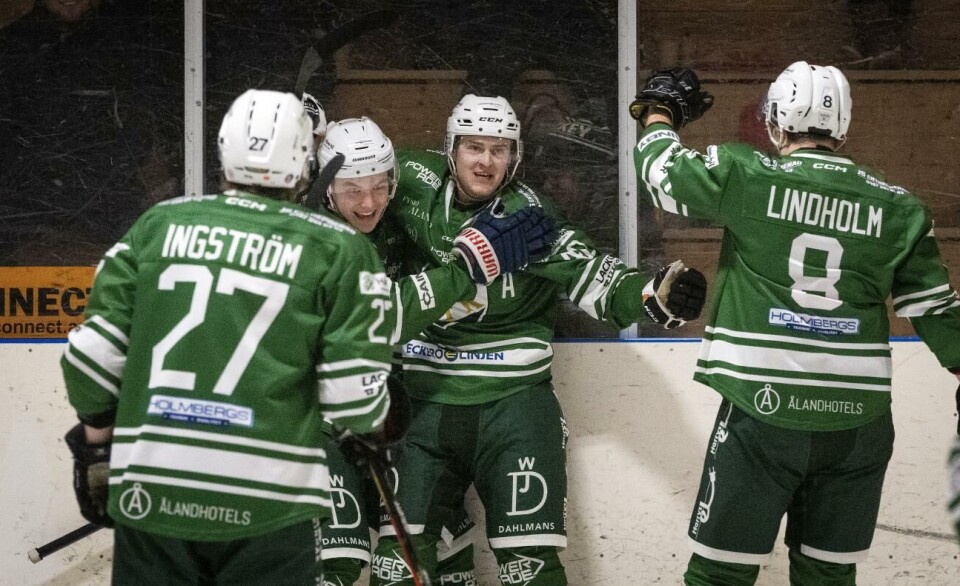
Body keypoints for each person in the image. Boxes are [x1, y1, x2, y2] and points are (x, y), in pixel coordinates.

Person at [59, 89, 540, 585]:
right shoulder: (335, 249)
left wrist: (98, 447)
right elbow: (355, 395)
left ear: (223, 152)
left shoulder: (154, 227)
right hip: (269, 497)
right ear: (307, 165)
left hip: (152, 487)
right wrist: (378, 420)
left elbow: (91, 357)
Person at [629, 62, 960, 585]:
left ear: (774, 125)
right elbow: (937, 312)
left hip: (762, 414)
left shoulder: (748, 176)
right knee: (827, 579)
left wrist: (657, 114)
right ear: (844, 129)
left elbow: (662, 174)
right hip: (859, 424)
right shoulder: (901, 210)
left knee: (720, 576)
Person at [370, 93, 708, 585]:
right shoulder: (412, 182)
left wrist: (656, 293)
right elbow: (355, 184)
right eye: (473, 147)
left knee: (529, 568)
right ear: (450, 149)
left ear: (515, 156)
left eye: (499, 149)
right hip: (423, 404)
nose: (486, 161)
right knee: (396, 565)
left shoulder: (529, 219)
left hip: (513, 410)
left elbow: (601, 280)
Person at [310, 115, 555, 585]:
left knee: (441, 547)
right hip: (320, 426)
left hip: (384, 424)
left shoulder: (396, 218)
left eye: (379, 187)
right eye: (351, 190)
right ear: (325, 191)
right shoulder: (317, 245)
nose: (368, 203)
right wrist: (470, 263)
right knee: (337, 564)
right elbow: (378, 321)